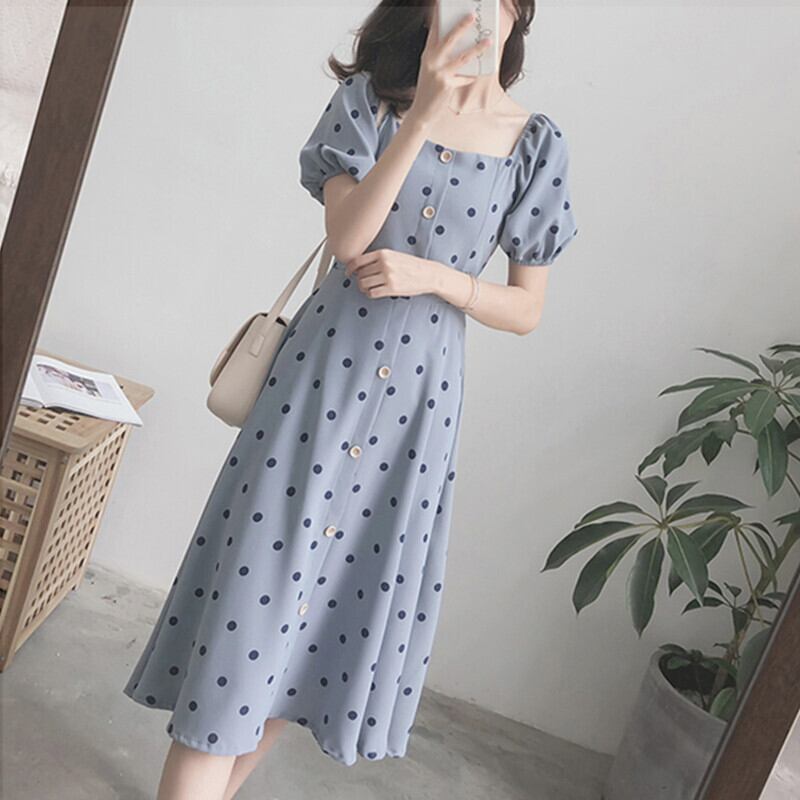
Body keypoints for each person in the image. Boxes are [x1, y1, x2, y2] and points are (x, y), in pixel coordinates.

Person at [122, 1, 578, 798]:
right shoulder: (369, 103)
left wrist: (437, 278)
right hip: (318, 391)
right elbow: (348, 239)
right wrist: (422, 114)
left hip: (415, 421)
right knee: (251, 612)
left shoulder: (534, 144)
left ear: (516, 13)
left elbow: (527, 308)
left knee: (315, 635)